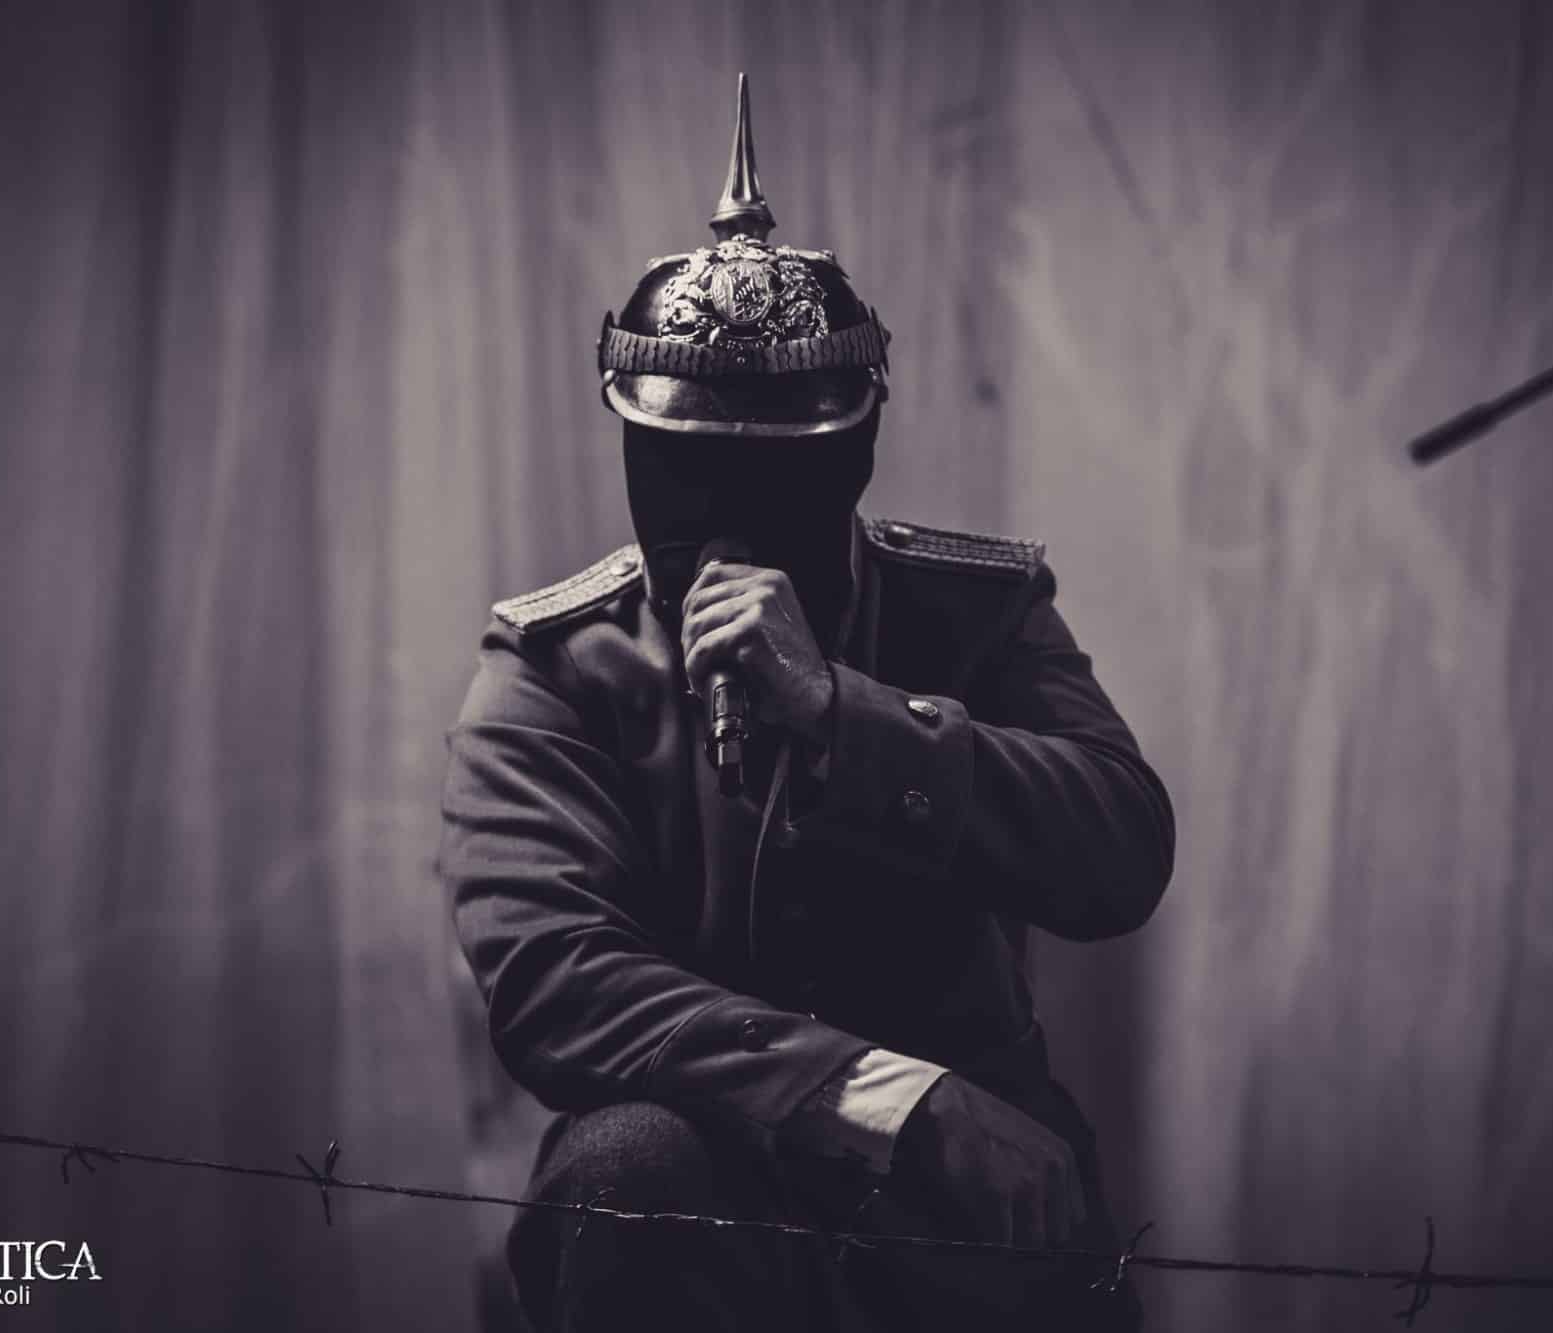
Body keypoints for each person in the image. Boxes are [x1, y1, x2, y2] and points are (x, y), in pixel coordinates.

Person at [439, 75, 1175, 1332]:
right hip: (698, 1200)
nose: (725, 514)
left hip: (969, 1214)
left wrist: (844, 715)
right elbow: (555, 980)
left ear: (856, 449)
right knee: (623, 1167)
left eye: (777, 472)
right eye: (684, 469)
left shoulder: (970, 613)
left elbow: (1119, 854)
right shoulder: (554, 667)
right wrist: (889, 1098)